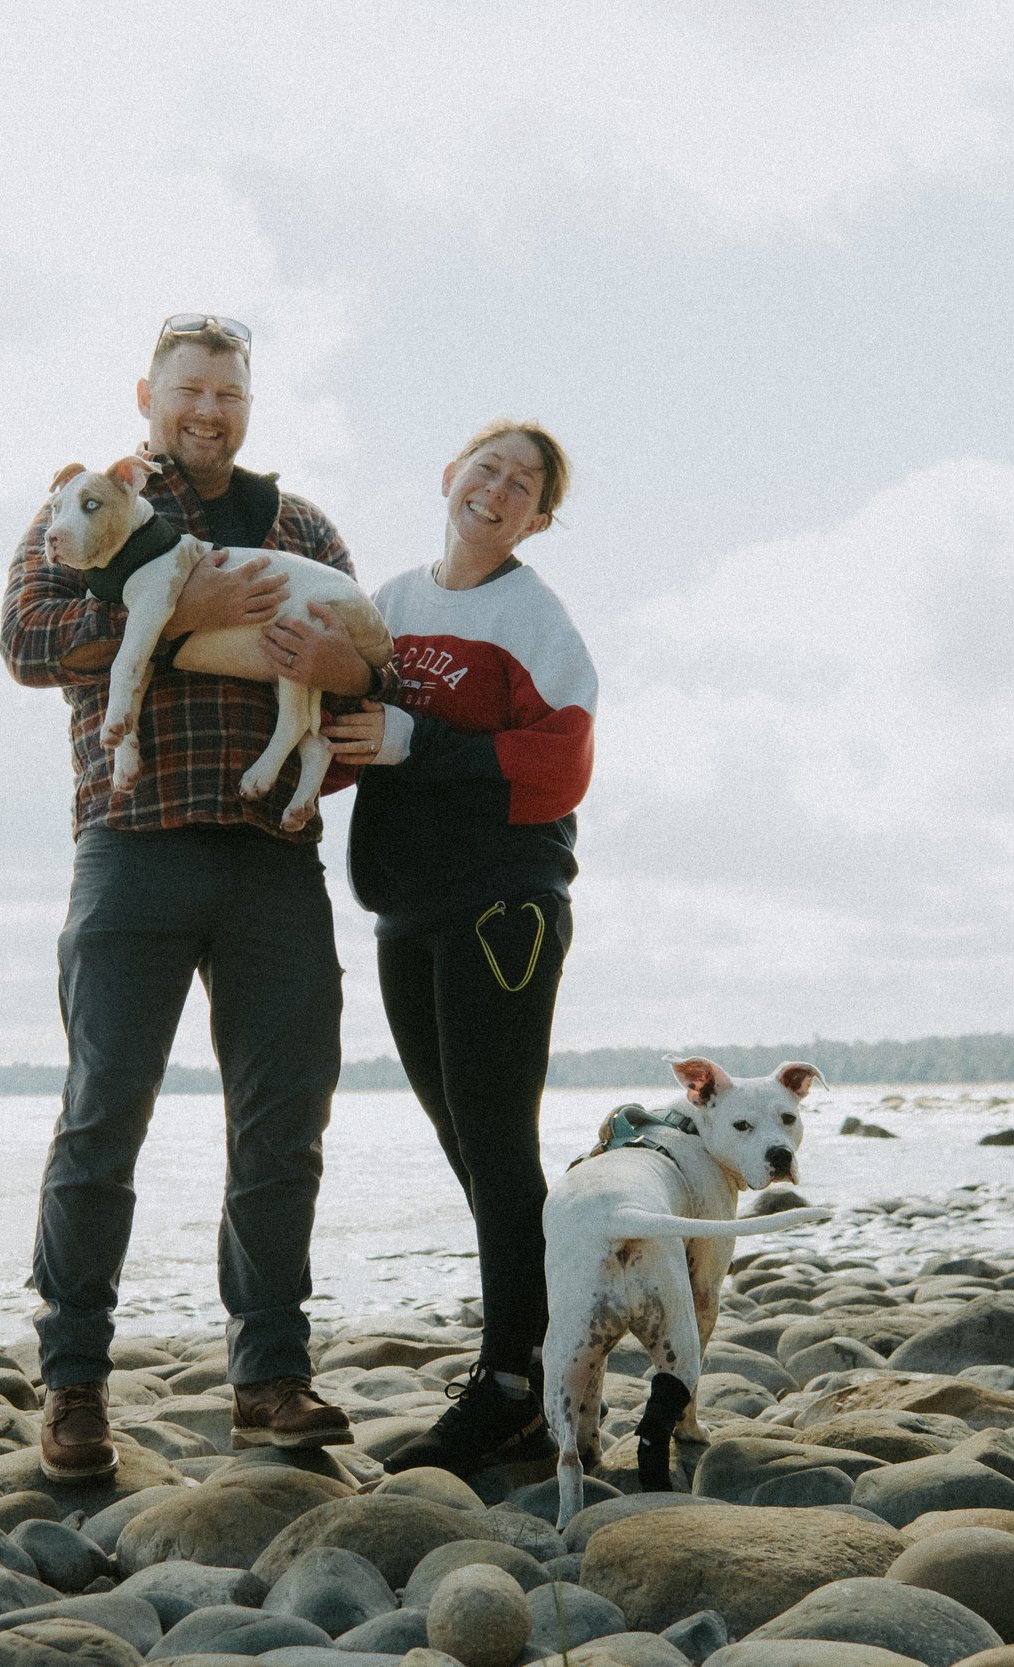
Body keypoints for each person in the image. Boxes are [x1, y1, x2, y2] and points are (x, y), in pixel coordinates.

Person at [0, 314, 382, 1480]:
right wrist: (175, 619)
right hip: (133, 843)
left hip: (272, 852)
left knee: (283, 1122)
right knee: (102, 1112)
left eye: (229, 393)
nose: (209, 412)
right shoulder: (86, 499)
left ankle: (269, 1376)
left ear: (248, 404)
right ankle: (72, 1387)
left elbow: (374, 671)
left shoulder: (301, 525)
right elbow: (26, 636)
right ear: (147, 397)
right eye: (189, 392)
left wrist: (347, 678)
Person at [322, 421, 597, 1477]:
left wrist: (415, 739)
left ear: (539, 519)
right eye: (487, 468)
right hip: (406, 908)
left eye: (523, 485)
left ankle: (512, 1384)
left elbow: (561, 763)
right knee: (463, 1144)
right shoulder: (388, 603)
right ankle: (532, 1359)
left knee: (493, 1139)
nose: (498, 489)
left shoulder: (535, 619)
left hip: (503, 906)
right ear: (449, 477)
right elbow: (355, 735)